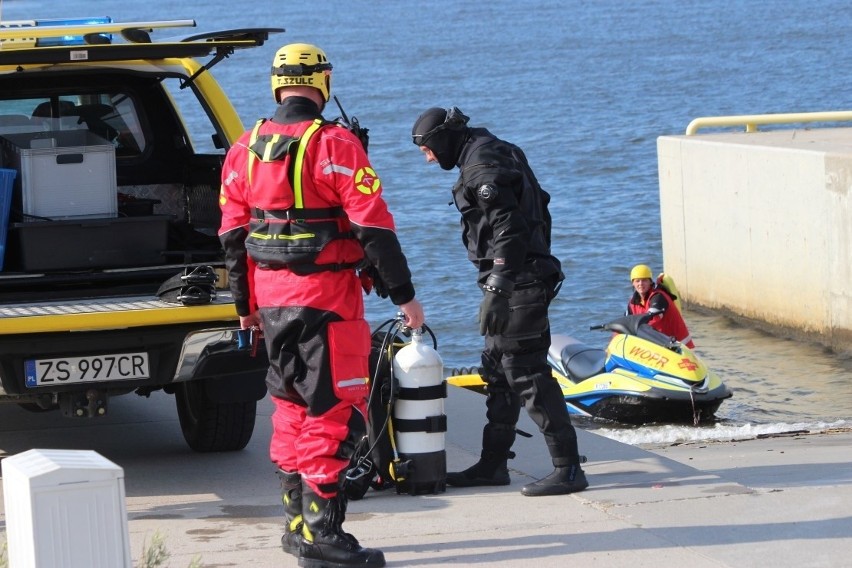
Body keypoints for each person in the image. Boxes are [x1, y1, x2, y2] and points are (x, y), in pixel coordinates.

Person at [219, 43, 424, 568]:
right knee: (332, 411)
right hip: (326, 302)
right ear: (322, 83)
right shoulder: (336, 144)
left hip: (269, 302)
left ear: (276, 84)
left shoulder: (243, 148)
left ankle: (295, 527)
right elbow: (374, 226)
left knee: (289, 411)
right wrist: (406, 297)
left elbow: (232, 236)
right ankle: (324, 537)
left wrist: (245, 307)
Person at [411, 106, 588, 497]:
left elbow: (511, 228)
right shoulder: (495, 149)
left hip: (517, 281)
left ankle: (568, 468)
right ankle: (493, 464)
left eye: (427, 149)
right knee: (498, 372)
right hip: (517, 278)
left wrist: (498, 286)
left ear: (443, 140)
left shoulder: (481, 167)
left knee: (525, 371)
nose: (427, 158)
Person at [626, 264, 694, 348]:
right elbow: (626, 324)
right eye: (637, 281)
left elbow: (652, 322)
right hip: (661, 345)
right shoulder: (632, 302)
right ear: (632, 283)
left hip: (680, 347)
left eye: (644, 280)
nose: (641, 284)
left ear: (650, 282)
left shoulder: (658, 297)